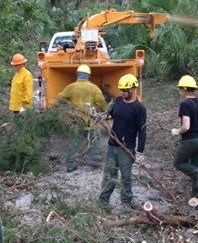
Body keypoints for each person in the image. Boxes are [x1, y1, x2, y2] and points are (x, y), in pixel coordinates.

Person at [98, 74, 147, 213]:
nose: (122, 93)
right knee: (109, 174)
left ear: (132, 89)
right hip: (113, 144)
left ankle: (126, 202)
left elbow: (142, 132)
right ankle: (103, 201)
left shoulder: (139, 108)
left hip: (126, 148)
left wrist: (140, 152)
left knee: (125, 176)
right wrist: (103, 116)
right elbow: (111, 114)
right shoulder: (119, 100)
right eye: (121, 90)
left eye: (125, 90)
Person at [57, 65, 107, 172]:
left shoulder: (71, 87)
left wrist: (67, 106)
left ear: (77, 75)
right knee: (95, 139)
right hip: (90, 120)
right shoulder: (94, 88)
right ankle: (93, 161)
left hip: (76, 120)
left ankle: (70, 165)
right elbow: (101, 102)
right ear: (88, 75)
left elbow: (60, 98)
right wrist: (104, 111)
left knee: (75, 142)